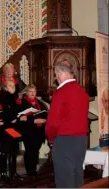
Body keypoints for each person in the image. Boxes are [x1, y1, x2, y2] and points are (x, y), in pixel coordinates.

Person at [46, 60, 89, 188]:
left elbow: (52, 122)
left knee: (64, 179)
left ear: (60, 73)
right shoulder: (82, 91)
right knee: (77, 175)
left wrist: (51, 139)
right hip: (81, 140)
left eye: (56, 74)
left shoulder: (61, 92)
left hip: (65, 141)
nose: (56, 78)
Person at [19, 84, 48, 176]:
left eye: (34, 91)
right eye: (30, 91)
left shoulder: (40, 102)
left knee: (36, 151)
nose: (32, 93)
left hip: (39, 131)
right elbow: (21, 117)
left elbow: (45, 113)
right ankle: (29, 170)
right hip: (29, 130)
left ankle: (34, 169)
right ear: (26, 92)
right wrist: (34, 120)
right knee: (29, 151)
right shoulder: (22, 103)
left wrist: (44, 119)